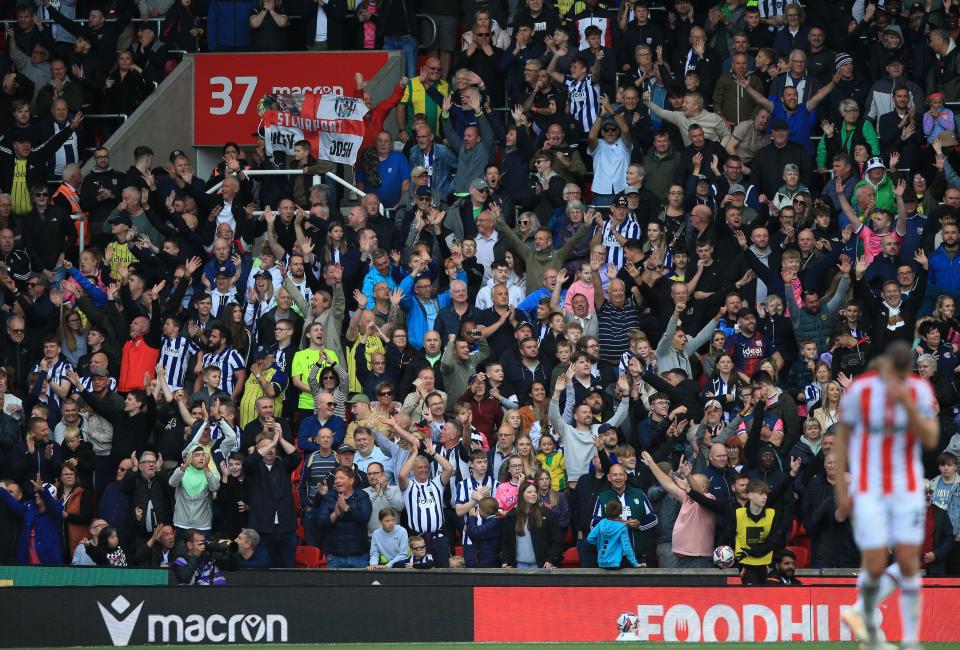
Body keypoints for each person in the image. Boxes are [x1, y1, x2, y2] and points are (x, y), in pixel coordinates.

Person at [835, 342, 940, 650]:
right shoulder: (861, 391)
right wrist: (842, 489)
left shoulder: (918, 390)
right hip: (870, 487)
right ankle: (870, 634)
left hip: (906, 487)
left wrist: (907, 404)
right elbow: (841, 436)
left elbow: (932, 437)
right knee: (875, 559)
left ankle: (891, 633)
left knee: (909, 561)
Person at [500, 480, 564, 568]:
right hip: (518, 565)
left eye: (535, 492)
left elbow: (557, 539)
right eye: (529, 492)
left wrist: (551, 559)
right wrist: (505, 561)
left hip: (541, 565)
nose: (534, 494)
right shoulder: (512, 516)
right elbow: (506, 541)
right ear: (521, 495)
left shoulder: (546, 513)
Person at [587, 500, 642, 569]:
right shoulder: (622, 527)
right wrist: (635, 563)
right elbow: (627, 547)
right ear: (621, 512)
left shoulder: (601, 523)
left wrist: (600, 542)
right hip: (616, 563)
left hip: (601, 562)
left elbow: (590, 539)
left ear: (606, 510)